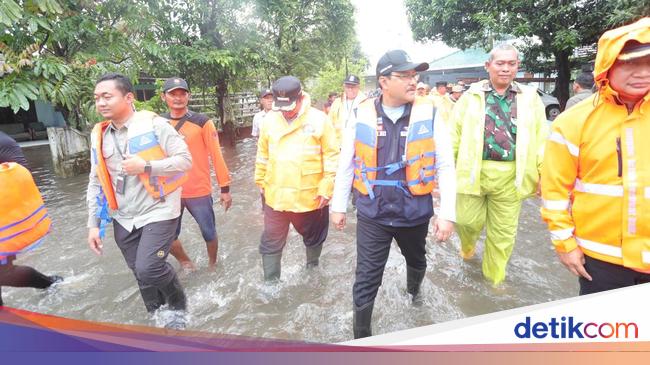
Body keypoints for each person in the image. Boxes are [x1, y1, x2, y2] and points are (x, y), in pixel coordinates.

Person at [330, 49, 456, 339]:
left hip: (414, 212)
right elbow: (346, 163)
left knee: (417, 261)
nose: (413, 81)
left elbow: (446, 165)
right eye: (405, 75)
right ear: (384, 82)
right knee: (366, 278)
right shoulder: (361, 114)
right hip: (373, 213)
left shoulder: (430, 112)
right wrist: (338, 206)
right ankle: (362, 340)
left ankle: (414, 293)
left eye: (415, 75)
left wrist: (447, 214)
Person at [541, 18, 650, 295]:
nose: (642, 73)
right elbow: (554, 192)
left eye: (648, 62)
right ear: (607, 66)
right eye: (630, 63)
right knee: (604, 336)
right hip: (601, 261)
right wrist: (565, 245)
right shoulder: (573, 122)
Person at [86, 73, 192, 329]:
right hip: (123, 216)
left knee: (149, 267)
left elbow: (185, 161)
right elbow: (95, 180)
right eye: (97, 98)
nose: (101, 103)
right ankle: (156, 316)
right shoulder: (99, 135)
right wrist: (94, 224)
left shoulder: (155, 125)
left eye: (107, 96)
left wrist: (146, 166)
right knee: (140, 274)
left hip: (159, 209)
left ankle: (180, 310)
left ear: (129, 97)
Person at [450, 43, 548, 287]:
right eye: (500, 63)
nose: (506, 69)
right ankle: (468, 247)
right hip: (472, 173)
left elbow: (541, 138)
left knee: (502, 234)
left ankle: (495, 280)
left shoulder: (530, 98)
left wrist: (544, 173)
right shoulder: (470, 96)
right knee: (466, 222)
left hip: (511, 176)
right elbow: (454, 134)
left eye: (511, 64)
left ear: (517, 66)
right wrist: (445, 173)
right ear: (488, 66)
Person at [254, 76, 339, 281]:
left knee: (314, 238)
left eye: (290, 106)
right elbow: (262, 154)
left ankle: (312, 271)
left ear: (300, 98)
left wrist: (327, 186)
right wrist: (260, 181)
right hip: (276, 195)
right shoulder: (270, 121)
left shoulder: (319, 119)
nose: (286, 111)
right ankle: (271, 284)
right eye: (281, 107)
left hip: (309, 196)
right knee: (271, 241)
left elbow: (332, 155)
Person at [160, 77, 232, 271]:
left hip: (198, 189)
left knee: (209, 232)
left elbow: (217, 156)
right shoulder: (157, 123)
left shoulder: (202, 122)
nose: (178, 98)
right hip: (169, 191)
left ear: (188, 96)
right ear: (163, 97)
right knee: (167, 237)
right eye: (172, 94)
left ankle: (212, 265)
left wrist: (224, 188)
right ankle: (185, 261)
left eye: (182, 93)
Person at [0, 132, 61, 307]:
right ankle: (50, 283)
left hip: (3, 224)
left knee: (5, 273)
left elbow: (23, 180)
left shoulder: (4, 143)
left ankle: (50, 283)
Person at [328, 75, 366, 146]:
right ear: (344, 87)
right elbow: (328, 124)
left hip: (358, 147)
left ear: (358, 87)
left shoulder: (366, 103)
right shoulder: (337, 102)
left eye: (353, 87)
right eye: (348, 86)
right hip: (338, 146)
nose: (350, 89)